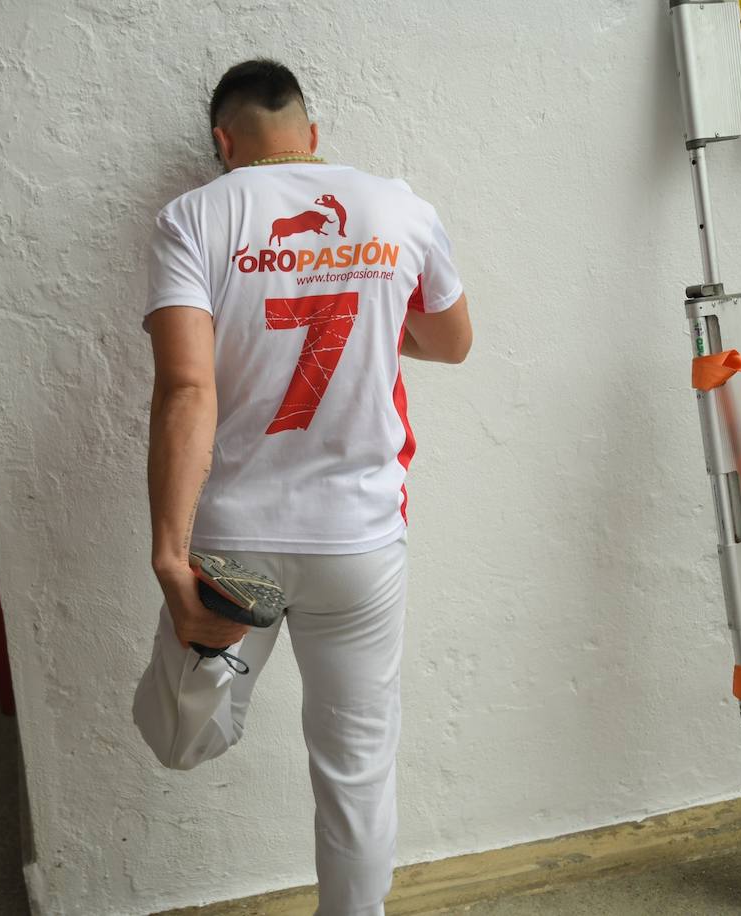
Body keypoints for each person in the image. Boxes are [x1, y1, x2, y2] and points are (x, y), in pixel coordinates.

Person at [132, 60, 473, 914]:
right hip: (359, 540)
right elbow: (451, 341)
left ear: (222, 141)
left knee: (181, 738)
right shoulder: (398, 205)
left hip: (234, 543)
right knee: (357, 771)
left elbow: (186, 389)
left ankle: (214, 683)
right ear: (310, 138)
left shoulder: (191, 219)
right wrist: (360, 314)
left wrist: (171, 559)